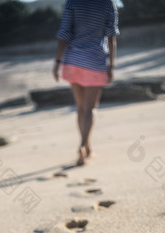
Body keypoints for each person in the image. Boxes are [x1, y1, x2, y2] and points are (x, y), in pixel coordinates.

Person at [53, 0, 120, 166]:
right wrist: (111, 66)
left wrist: (57, 62)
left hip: (73, 60)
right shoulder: (107, 3)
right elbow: (111, 37)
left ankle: (86, 145)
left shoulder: (73, 2)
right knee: (91, 108)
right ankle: (84, 145)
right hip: (95, 60)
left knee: (81, 107)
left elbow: (64, 34)